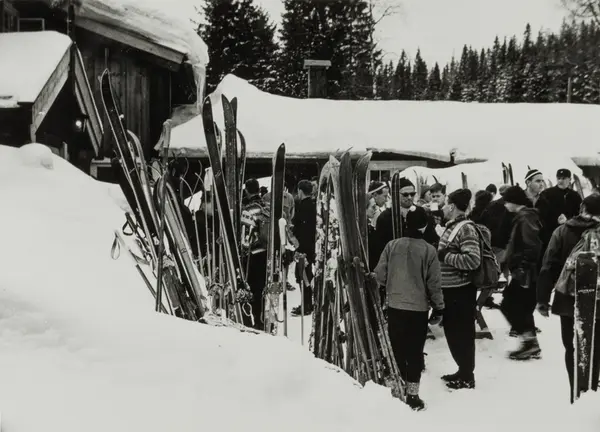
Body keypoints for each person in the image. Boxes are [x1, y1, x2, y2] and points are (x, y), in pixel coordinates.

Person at [374, 205, 444, 411]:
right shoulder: (429, 251)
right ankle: (413, 395)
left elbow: (380, 276)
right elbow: (434, 284)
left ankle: (397, 387)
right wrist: (439, 307)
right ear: (424, 227)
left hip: (395, 306)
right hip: (418, 310)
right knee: (414, 352)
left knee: (397, 348)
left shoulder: (392, 246)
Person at [537, 194, 600, 402]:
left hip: (569, 298)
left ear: (581, 208)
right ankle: (593, 389)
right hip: (598, 299)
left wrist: (543, 299)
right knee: (595, 346)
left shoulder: (563, 231)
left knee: (573, 346)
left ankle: (578, 393)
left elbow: (549, 265)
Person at [437, 188, 481, 390]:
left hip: (460, 291)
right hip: (451, 290)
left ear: (452, 206)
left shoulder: (465, 229)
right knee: (453, 332)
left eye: (446, 204)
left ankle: (467, 376)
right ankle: (463, 369)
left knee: (461, 333)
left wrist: (446, 256)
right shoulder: (454, 226)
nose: (443, 207)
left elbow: (473, 260)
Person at [500, 186, 543, 360]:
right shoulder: (524, 217)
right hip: (525, 271)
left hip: (526, 272)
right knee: (521, 307)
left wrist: (522, 268)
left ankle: (530, 343)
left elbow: (532, 246)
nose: (505, 205)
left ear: (513, 201)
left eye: (506, 201)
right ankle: (530, 344)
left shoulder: (525, 218)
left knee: (509, 305)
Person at [240, 178, 270, 330]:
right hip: (268, 253)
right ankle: (265, 319)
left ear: (246, 190)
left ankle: (256, 320)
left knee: (254, 290)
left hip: (254, 255)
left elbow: (246, 239)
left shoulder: (248, 209)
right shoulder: (268, 206)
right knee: (265, 288)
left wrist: (243, 250)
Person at [536, 168, 582, 259]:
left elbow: (579, 214)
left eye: (563, 178)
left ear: (569, 179)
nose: (560, 181)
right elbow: (540, 214)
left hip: (568, 234)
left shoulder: (575, 196)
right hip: (549, 234)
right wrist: (554, 221)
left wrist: (568, 220)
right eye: (559, 178)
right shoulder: (547, 194)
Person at [291, 180, 317, 316]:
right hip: (311, 246)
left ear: (300, 191)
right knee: (305, 274)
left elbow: (300, 228)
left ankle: (307, 305)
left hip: (303, 247)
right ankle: (308, 303)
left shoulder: (302, 206)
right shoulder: (314, 205)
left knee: (302, 275)